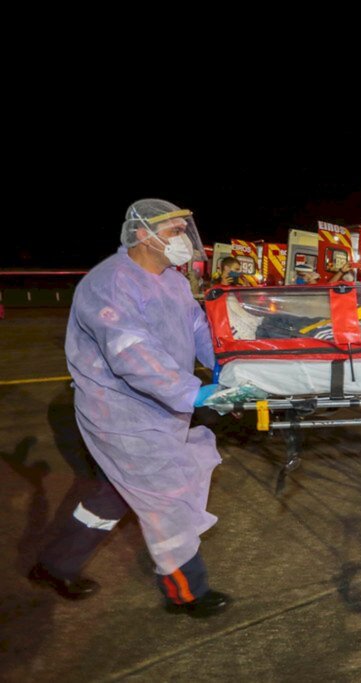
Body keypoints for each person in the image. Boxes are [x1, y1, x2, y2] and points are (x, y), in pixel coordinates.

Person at [29, 199, 229, 618]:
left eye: (185, 231)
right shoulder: (110, 283)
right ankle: (186, 592)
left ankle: (55, 564)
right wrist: (192, 393)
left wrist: (227, 367)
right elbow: (130, 352)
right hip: (121, 415)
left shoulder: (173, 282)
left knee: (115, 492)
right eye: (175, 231)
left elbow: (198, 328)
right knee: (166, 501)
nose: (184, 240)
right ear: (143, 234)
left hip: (162, 409)